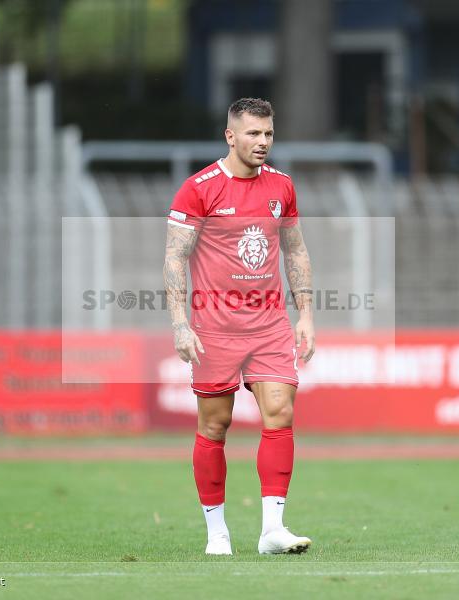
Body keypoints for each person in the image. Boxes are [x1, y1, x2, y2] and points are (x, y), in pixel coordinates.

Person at [163, 98, 316, 555]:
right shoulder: (199, 189)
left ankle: (272, 530)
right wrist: (180, 324)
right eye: (253, 133)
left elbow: (295, 249)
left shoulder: (282, 186)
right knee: (216, 425)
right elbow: (175, 257)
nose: (263, 142)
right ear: (230, 136)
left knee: (281, 412)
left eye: (268, 133)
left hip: (269, 324)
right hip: (215, 327)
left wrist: (306, 314)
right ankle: (217, 534)